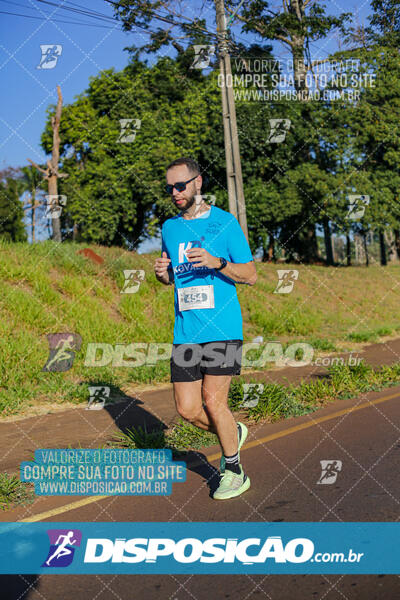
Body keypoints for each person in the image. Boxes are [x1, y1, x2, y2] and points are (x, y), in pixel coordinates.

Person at [154, 157, 257, 500]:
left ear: (198, 183)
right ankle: (233, 430)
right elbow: (176, 276)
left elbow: (251, 275)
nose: (175, 192)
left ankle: (234, 470)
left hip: (222, 328)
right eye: (170, 187)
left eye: (180, 186)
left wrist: (218, 263)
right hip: (185, 331)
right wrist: (164, 275)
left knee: (214, 402)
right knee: (187, 409)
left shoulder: (225, 224)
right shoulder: (170, 228)